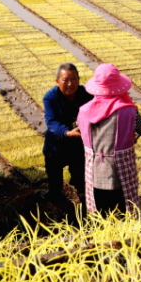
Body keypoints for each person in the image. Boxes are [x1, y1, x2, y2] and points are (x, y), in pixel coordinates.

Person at [77, 63, 141, 216]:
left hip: (93, 174)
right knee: (122, 216)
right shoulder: (129, 112)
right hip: (120, 176)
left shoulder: (83, 111)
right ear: (119, 86)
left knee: (100, 218)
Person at [42, 63, 93, 200]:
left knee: (81, 177)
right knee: (54, 173)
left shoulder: (87, 94)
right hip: (57, 144)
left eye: (73, 79)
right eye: (65, 80)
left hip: (80, 144)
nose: (70, 84)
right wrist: (67, 133)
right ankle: (54, 193)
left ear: (79, 79)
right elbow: (52, 122)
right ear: (57, 81)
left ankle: (82, 196)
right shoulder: (50, 97)